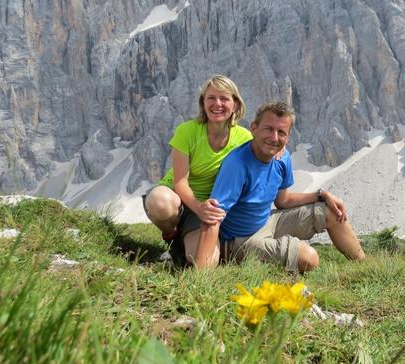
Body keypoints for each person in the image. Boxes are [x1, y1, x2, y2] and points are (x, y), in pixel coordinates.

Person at [210, 101, 366, 272]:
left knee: (331, 211)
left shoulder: (282, 158)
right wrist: (206, 265)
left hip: (268, 222)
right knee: (309, 258)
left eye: (281, 132)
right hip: (238, 240)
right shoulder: (236, 164)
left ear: (288, 137)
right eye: (269, 129)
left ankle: (364, 267)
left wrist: (322, 195)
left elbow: (282, 201)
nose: (274, 138)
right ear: (254, 128)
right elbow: (213, 216)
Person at [142, 75, 251, 268]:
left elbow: (261, 157)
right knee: (160, 203)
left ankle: (185, 245)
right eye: (211, 98)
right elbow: (180, 182)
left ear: (235, 104)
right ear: (203, 103)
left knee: (205, 264)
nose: (217, 104)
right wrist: (199, 207)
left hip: (208, 207)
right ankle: (172, 241)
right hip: (178, 198)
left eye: (224, 98)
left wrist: (279, 150)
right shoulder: (187, 131)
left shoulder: (244, 138)